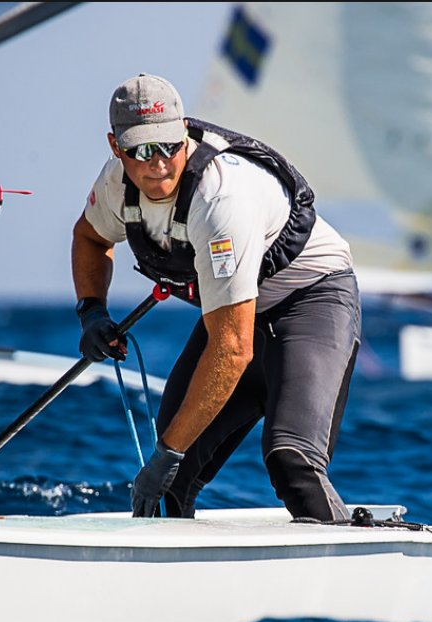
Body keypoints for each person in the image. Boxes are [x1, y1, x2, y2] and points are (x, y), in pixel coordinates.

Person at [70, 73, 361, 522]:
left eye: (168, 145)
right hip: (238, 319)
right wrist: (92, 312)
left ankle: (352, 564)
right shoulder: (115, 186)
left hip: (312, 303)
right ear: (116, 147)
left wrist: (169, 452)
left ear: (184, 131)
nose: (158, 164)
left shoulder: (221, 198)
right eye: (141, 151)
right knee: (170, 480)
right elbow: (89, 239)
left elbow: (231, 348)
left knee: (290, 461)